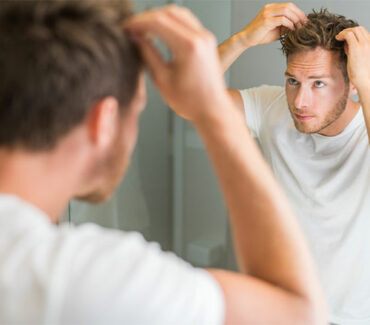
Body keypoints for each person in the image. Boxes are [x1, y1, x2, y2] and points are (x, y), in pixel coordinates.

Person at [0, 1, 326, 324]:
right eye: (139, 107)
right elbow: (298, 312)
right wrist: (211, 108)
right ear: (105, 120)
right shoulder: (84, 279)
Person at [218, 2, 370, 324]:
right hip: (281, 310)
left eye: (318, 83)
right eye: (293, 82)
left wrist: (368, 82)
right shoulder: (272, 107)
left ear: (353, 82)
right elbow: (189, 101)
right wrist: (243, 39)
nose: (300, 102)